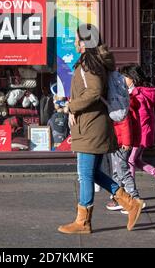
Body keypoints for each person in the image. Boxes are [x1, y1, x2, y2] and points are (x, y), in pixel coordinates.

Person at [58, 24, 144, 234]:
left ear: (85, 42)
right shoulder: (96, 61)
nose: (75, 42)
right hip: (94, 125)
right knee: (93, 173)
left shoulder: (89, 63)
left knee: (85, 174)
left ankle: (83, 222)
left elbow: (94, 92)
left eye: (78, 39)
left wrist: (72, 106)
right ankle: (130, 203)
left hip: (90, 126)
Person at [120, 64, 155, 197]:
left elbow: (142, 118)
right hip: (141, 133)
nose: (122, 79)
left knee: (130, 161)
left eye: (125, 76)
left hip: (139, 134)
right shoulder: (138, 92)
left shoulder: (138, 94)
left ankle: (131, 195)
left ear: (133, 78)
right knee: (136, 160)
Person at [105, 102, 143, 211]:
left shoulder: (118, 104)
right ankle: (119, 198)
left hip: (121, 144)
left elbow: (124, 123)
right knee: (117, 172)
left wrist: (126, 142)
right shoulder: (115, 102)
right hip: (115, 142)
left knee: (123, 171)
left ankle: (135, 199)